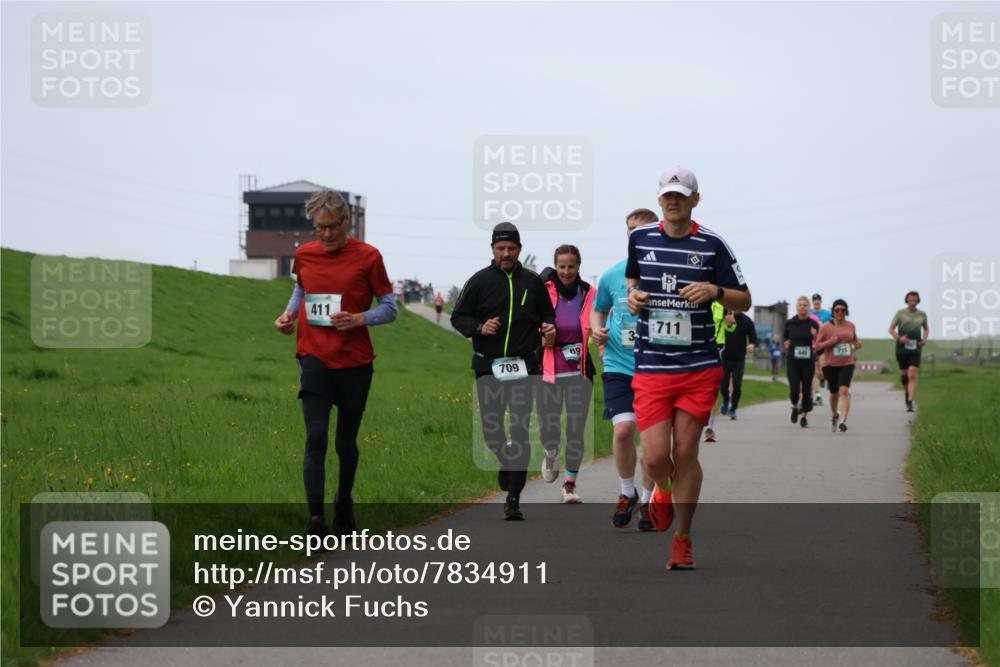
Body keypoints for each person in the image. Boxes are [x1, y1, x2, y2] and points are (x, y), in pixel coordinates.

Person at [626, 166, 752, 570]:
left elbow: (744, 300)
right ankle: (661, 488)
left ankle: (682, 538)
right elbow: (632, 279)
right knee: (655, 456)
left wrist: (714, 291)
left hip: (698, 366)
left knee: (685, 451)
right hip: (652, 364)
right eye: (667, 196)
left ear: (695, 200)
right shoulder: (640, 239)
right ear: (659, 200)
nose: (674, 201)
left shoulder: (713, 244)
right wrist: (632, 297)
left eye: (682, 195)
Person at [274, 189, 397, 538]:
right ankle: (315, 521)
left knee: (345, 442)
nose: (326, 234)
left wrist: (360, 319)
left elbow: (390, 308)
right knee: (315, 438)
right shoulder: (305, 255)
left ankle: (344, 505)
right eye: (319, 228)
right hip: (314, 356)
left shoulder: (368, 257)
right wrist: (287, 315)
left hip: (355, 362)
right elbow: (301, 290)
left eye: (332, 227)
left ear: (346, 222)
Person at [451, 222, 556, 521]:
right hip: (489, 365)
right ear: (493, 250)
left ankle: (513, 499)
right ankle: (506, 461)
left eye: (511, 248)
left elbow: (547, 313)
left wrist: (548, 328)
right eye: (501, 249)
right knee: (493, 431)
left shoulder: (533, 282)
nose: (506, 253)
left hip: (524, 365)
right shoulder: (479, 281)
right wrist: (479, 327)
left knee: (520, 430)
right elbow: (458, 318)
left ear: (519, 249)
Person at [591, 208, 658, 530]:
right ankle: (626, 491)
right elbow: (597, 311)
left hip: (656, 368)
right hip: (618, 363)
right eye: (631, 229)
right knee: (622, 430)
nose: (636, 234)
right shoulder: (612, 275)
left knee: (652, 443)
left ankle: (647, 501)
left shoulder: (665, 272)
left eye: (643, 229)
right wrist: (597, 330)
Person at [537, 245, 597, 504]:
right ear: (555, 266)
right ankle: (551, 451)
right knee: (549, 428)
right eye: (561, 266)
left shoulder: (589, 293)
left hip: (579, 370)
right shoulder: (544, 290)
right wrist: (541, 335)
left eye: (571, 266)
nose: (566, 271)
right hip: (550, 369)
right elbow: (529, 320)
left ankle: (570, 486)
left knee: (576, 429)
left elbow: (600, 321)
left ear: (578, 266)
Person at [815, 299, 861, 433]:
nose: (840, 312)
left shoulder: (851, 326)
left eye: (843, 310)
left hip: (847, 363)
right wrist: (829, 342)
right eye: (837, 310)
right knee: (834, 393)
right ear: (833, 312)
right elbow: (817, 346)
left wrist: (854, 347)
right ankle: (835, 415)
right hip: (830, 364)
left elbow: (856, 342)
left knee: (844, 391)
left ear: (846, 311)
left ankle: (843, 421)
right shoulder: (826, 327)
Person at [889, 291, 929, 412]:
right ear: (907, 301)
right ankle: (907, 393)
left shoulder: (922, 314)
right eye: (910, 300)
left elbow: (926, 329)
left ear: (918, 301)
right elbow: (891, 329)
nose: (912, 302)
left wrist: (924, 339)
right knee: (904, 376)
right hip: (902, 348)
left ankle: (910, 401)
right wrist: (900, 338)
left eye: (915, 300)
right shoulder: (900, 313)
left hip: (916, 347)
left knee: (912, 373)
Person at [783, 296, 820, 428]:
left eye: (805, 305)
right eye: (800, 305)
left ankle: (804, 416)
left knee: (806, 389)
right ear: (796, 307)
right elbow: (785, 338)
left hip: (807, 361)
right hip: (793, 360)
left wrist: (815, 336)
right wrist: (786, 343)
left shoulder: (813, 324)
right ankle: (794, 406)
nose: (803, 307)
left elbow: (819, 341)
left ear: (808, 307)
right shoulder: (790, 323)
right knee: (794, 390)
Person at [719, 309, 757, 420]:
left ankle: (733, 408)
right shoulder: (724, 317)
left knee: (737, 384)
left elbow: (753, 338)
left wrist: (752, 345)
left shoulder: (747, 321)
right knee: (723, 385)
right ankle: (726, 400)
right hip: (725, 358)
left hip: (739, 359)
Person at [809, 294, 833, 406]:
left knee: (822, 370)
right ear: (813, 302)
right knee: (814, 371)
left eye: (818, 301)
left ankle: (823, 379)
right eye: (814, 301)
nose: (816, 302)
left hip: (824, 344)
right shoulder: (809, 313)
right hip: (812, 344)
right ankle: (816, 395)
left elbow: (833, 326)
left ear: (821, 302)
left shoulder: (827, 314)